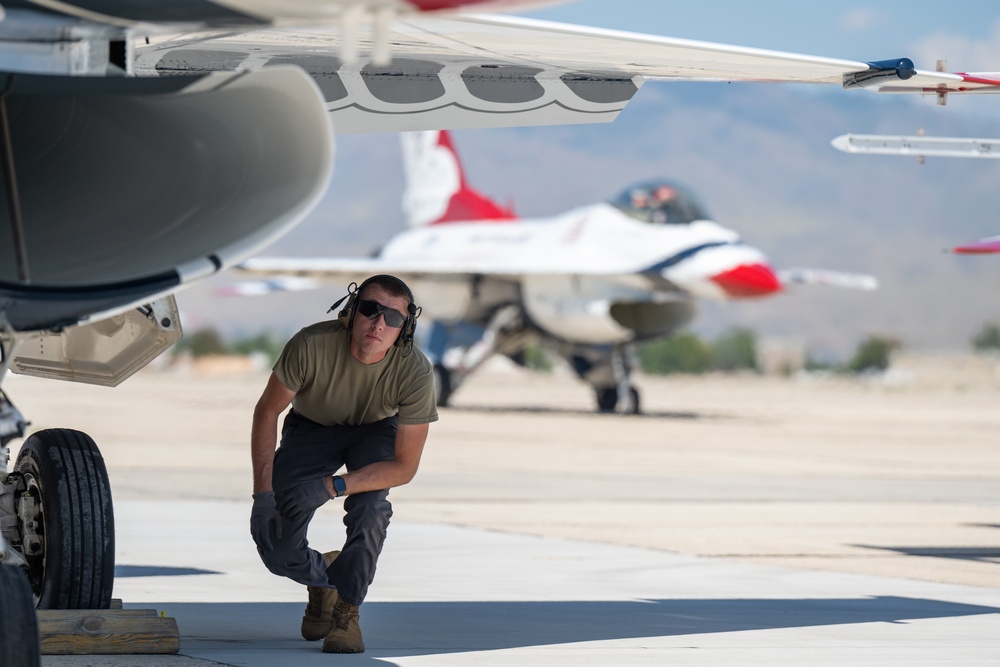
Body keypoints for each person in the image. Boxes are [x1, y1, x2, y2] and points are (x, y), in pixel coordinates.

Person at [249, 274, 438, 654]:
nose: (379, 323)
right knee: (276, 546)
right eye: (370, 309)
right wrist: (263, 496)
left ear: (405, 328)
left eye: (393, 318)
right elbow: (267, 412)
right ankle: (325, 578)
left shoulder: (415, 370)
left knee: (371, 510)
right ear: (351, 312)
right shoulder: (311, 344)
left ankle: (347, 613)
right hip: (311, 428)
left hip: (375, 431)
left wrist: (328, 487)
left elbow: (404, 467)